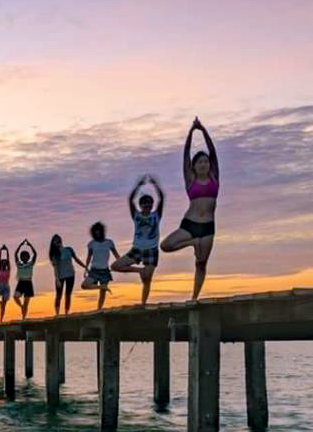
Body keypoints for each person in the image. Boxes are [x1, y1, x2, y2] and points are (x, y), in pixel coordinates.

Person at [160, 117, 219, 300]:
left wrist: (203, 130)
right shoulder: (190, 180)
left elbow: (213, 152)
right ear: (194, 166)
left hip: (208, 227)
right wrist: (191, 133)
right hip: (190, 225)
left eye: (206, 162)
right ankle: (192, 243)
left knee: (201, 264)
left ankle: (194, 297)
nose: (204, 164)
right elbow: (185, 155)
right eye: (200, 162)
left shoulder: (214, 177)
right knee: (165, 245)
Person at [112, 174, 165, 305]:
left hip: (151, 250)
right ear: (141, 205)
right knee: (115, 266)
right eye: (144, 204)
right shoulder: (136, 215)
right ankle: (139, 271)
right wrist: (137, 186)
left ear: (152, 205)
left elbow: (161, 198)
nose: (147, 206)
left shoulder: (156, 215)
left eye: (149, 204)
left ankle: (143, 304)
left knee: (147, 279)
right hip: (137, 249)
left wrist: (155, 185)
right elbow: (130, 200)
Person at [80, 222, 120, 310]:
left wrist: (120, 263)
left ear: (102, 231)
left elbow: (116, 254)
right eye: (95, 232)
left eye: (99, 231)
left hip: (105, 270)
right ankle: (101, 286)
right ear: (93, 233)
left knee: (102, 294)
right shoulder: (91, 244)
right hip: (94, 270)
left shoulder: (109, 242)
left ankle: (99, 310)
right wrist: (86, 268)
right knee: (84, 285)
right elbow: (89, 256)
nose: (97, 233)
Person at [48, 233, 83, 315]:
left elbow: (76, 259)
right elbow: (55, 268)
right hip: (60, 276)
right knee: (58, 295)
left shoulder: (69, 249)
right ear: (53, 243)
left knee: (68, 295)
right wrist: (57, 280)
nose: (57, 242)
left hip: (70, 275)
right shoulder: (54, 254)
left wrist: (85, 266)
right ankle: (57, 314)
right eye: (55, 241)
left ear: (60, 240)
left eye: (58, 240)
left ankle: (66, 313)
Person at [12, 239, 37, 319]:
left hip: (28, 283)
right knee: (15, 297)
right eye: (23, 256)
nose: (24, 258)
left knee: (26, 303)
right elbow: (15, 254)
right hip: (21, 283)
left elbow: (35, 254)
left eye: (26, 256)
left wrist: (30, 245)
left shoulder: (31, 264)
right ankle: (21, 306)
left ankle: (23, 317)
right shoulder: (19, 264)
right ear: (21, 258)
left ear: (28, 257)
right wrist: (20, 245)